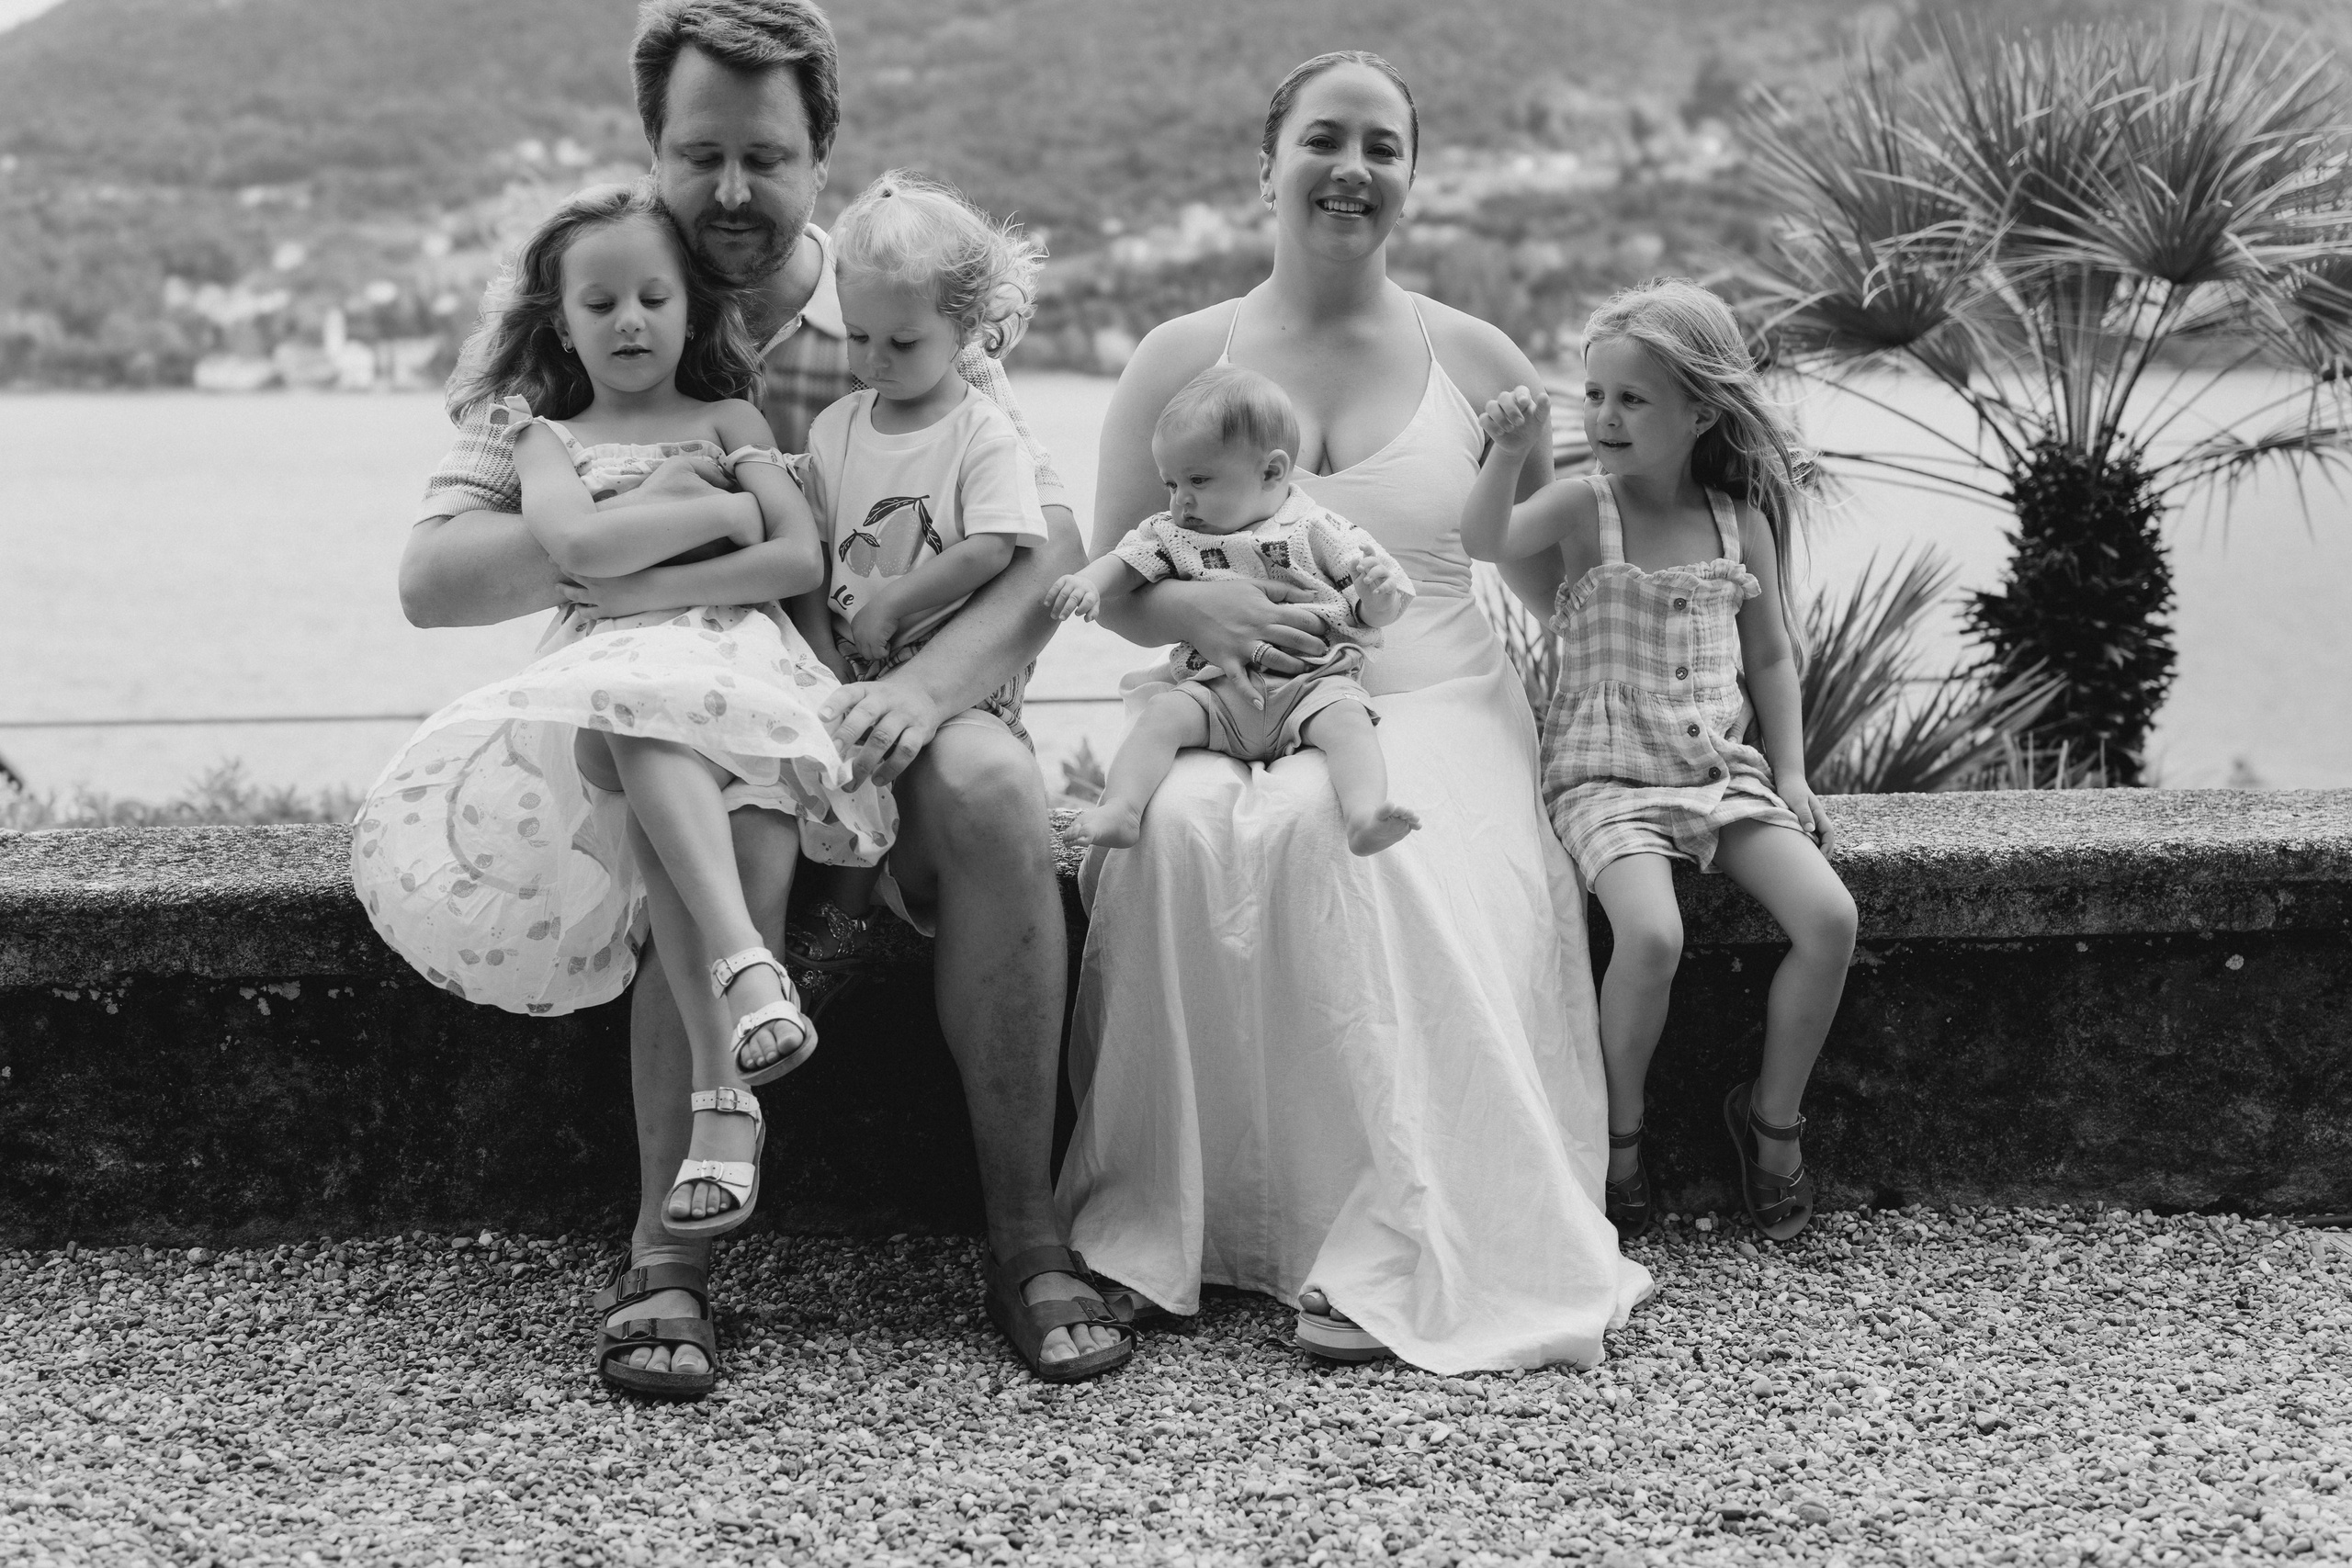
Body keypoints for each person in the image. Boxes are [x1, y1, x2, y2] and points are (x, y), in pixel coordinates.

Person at [396, 0, 1131, 1397]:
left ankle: (1025, 1234)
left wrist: (919, 690)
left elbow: (1043, 551)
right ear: (652, 150)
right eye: (700, 153)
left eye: (767, 156)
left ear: (821, 157)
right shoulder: (591, 308)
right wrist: (650, 524)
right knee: (703, 815)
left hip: (879, 698)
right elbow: (436, 578)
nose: (731, 190)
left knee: (993, 788)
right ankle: (668, 1260)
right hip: (690, 704)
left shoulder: (885, 300)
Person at [1056, 51, 1654, 1374]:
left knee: (1364, 843)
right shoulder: (1177, 356)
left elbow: (1564, 588)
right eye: (1326, 140)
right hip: (1228, 697)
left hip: (1434, 697)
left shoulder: (1479, 359)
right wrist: (1199, 621)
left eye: (1384, 148)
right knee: (1178, 833)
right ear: (1266, 165)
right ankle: (1173, 1226)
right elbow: (1115, 578)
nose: (1354, 169)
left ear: (1412, 183)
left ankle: (1409, 1236)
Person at [356, 180, 894, 1272]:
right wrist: (716, 508)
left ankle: (723, 1104)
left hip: (740, 675)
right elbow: (579, 551)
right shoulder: (549, 439)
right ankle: (744, 984)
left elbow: (795, 560)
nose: (632, 321)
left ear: (692, 311)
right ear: (562, 322)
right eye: (600, 305)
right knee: (636, 712)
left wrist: (672, 543)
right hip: (614, 690)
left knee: (744, 848)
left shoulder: (731, 419)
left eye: (654, 297)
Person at [1459, 277, 1859, 1243]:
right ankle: (1619, 1138)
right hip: (1603, 777)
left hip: (1718, 771)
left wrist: (1793, 774)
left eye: (1630, 399)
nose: (1603, 416)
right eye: (1593, 395)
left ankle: (1770, 1123)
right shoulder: (1576, 508)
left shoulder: (1738, 522)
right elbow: (1481, 539)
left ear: (1699, 412)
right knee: (1649, 938)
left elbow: (1769, 654)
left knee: (1830, 917)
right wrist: (1507, 452)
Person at [790, 171, 1051, 933]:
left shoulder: (980, 431)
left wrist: (895, 603)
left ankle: (849, 926)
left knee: (884, 764)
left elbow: (994, 547)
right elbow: (812, 549)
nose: (875, 360)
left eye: (903, 342)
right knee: (829, 768)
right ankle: (836, 921)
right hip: (854, 657)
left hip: (944, 665)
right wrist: (820, 654)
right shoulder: (835, 427)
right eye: (858, 337)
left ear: (964, 327)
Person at [1046, 364, 1420, 855]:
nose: (1181, 501)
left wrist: (1377, 597)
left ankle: (1364, 814)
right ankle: (1122, 809)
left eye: (1197, 480)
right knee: (1159, 716)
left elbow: (1374, 614)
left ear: (1271, 471)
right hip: (1215, 691)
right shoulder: (1177, 534)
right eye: (1171, 485)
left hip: (1310, 684)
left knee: (1350, 723)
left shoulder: (1318, 529)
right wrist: (1089, 583)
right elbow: (1126, 561)